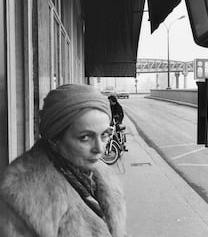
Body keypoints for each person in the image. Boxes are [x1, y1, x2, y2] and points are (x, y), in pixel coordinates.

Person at [0, 84, 127, 237]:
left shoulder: (101, 175)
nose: (99, 148)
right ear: (55, 139)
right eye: (85, 138)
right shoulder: (19, 197)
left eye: (104, 135)